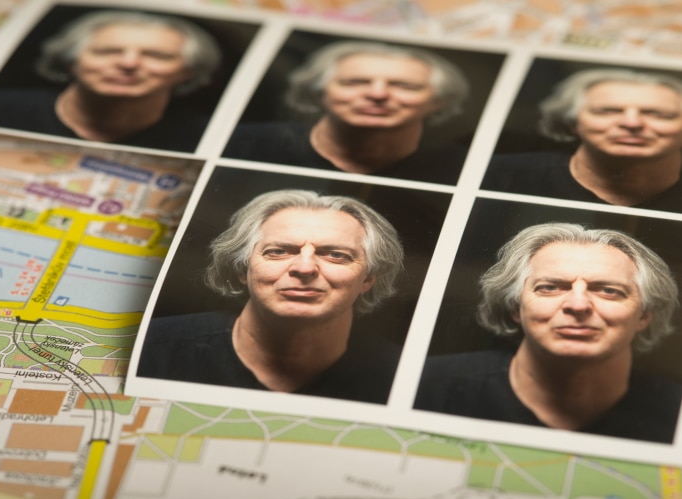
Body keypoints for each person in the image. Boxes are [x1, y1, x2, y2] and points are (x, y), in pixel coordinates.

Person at [415, 222, 682, 443]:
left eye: (609, 291)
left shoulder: (675, 412)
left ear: (645, 314)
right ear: (515, 306)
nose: (578, 305)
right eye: (550, 287)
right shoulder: (423, 387)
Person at [137, 189, 405, 403]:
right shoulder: (147, 347)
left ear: (368, 278)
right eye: (278, 251)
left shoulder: (404, 375)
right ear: (242, 267)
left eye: (335, 255)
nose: (304, 268)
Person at [223, 41, 470, 184]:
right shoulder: (239, 143)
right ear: (319, 92)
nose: (378, 94)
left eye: (404, 85)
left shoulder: (465, 170)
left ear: (438, 100)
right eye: (354, 82)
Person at [0, 10, 222, 151]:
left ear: (187, 72)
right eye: (107, 51)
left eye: (156, 55)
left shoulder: (212, 138)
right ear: (71, 61)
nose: (129, 64)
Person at [484, 68, 682, 212]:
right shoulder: (498, 175)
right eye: (607, 111)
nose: (632, 123)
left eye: (658, 114)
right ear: (571, 122)